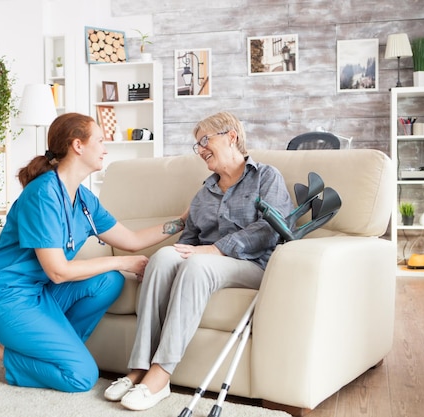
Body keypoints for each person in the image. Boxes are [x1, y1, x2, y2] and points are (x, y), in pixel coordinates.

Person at [0, 112, 187, 393]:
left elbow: (133, 240)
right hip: (6, 296)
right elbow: (58, 271)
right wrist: (122, 261)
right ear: (78, 145)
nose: (105, 148)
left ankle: (55, 354)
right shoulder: (43, 194)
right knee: (81, 377)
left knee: (109, 281)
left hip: (39, 294)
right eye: (99, 140)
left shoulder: (85, 200)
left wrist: (183, 221)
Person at [104, 111, 294, 411]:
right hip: (206, 262)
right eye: (197, 144)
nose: (200, 149)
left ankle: (161, 373)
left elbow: (271, 229)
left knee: (196, 264)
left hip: (253, 265)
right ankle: (139, 367)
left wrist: (216, 250)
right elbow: (189, 240)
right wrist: (159, 267)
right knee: (165, 257)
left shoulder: (266, 176)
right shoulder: (203, 191)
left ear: (232, 137)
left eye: (205, 140)